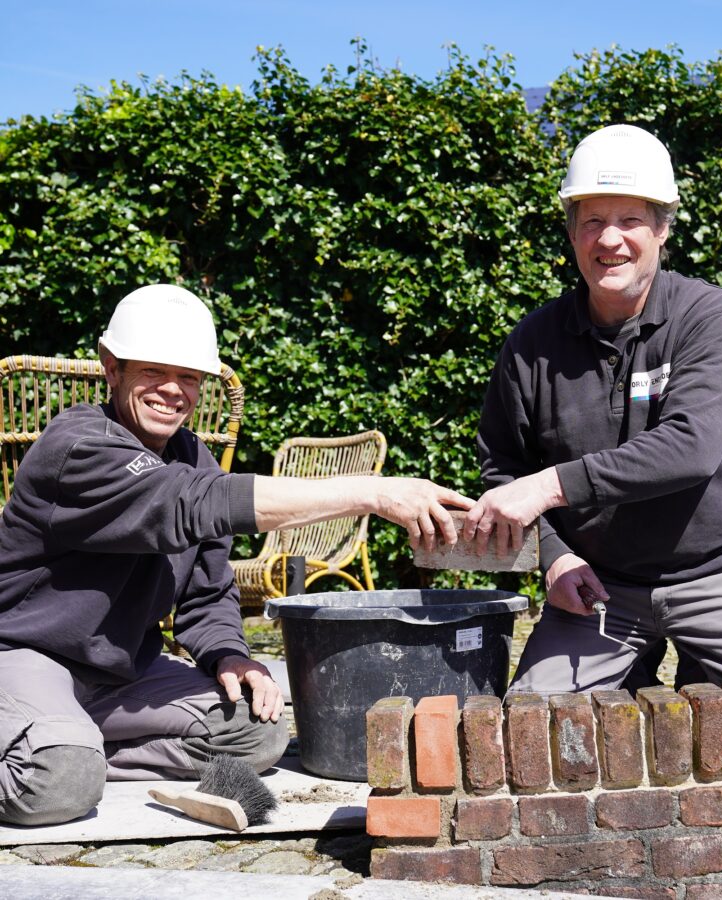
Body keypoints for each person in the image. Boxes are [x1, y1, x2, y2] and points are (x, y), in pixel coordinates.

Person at [0, 283, 472, 826]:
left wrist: (228, 654)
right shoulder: (78, 448)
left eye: (190, 377)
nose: (172, 390)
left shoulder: (191, 454)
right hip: (25, 656)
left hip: (119, 677)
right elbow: (195, 503)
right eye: (154, 371)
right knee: (58, 786)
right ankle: (59, 756)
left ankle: (71, 747)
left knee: (257, 730)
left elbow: (208, 586)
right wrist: (373, 491)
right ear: (112, 367)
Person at [463, 124, 722, 695]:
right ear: (572, 233)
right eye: (592, 222)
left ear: (662, 229)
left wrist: (550, 486)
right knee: (534, 731)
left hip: (718, 579)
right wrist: (554, 559)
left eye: (630, 220)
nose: (610, 239)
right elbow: (503, 467)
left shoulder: (707, 317)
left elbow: (691, 448)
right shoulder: (531, 344)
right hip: (596, 587)